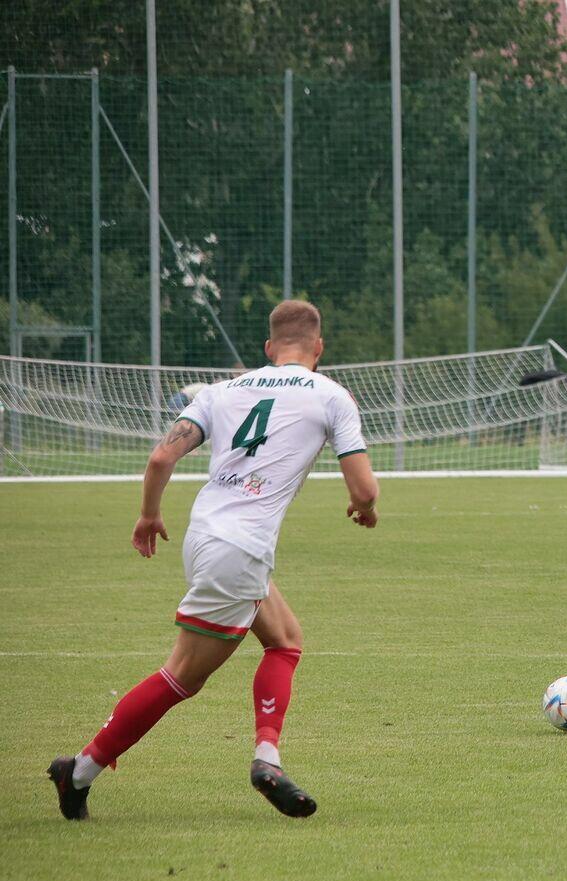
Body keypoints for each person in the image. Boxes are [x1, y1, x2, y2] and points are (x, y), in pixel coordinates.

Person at [47, 300, 380, 820]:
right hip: (240, 548)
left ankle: (268, 758)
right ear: (319, 347)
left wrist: (148, 515)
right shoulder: (331, 395)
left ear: (268, 348)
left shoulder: (222, 391)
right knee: (181, 676)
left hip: (204, 534)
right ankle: (80, 771)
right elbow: (364, 489)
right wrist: (365, 508)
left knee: (284, 640)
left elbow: (161, 456)